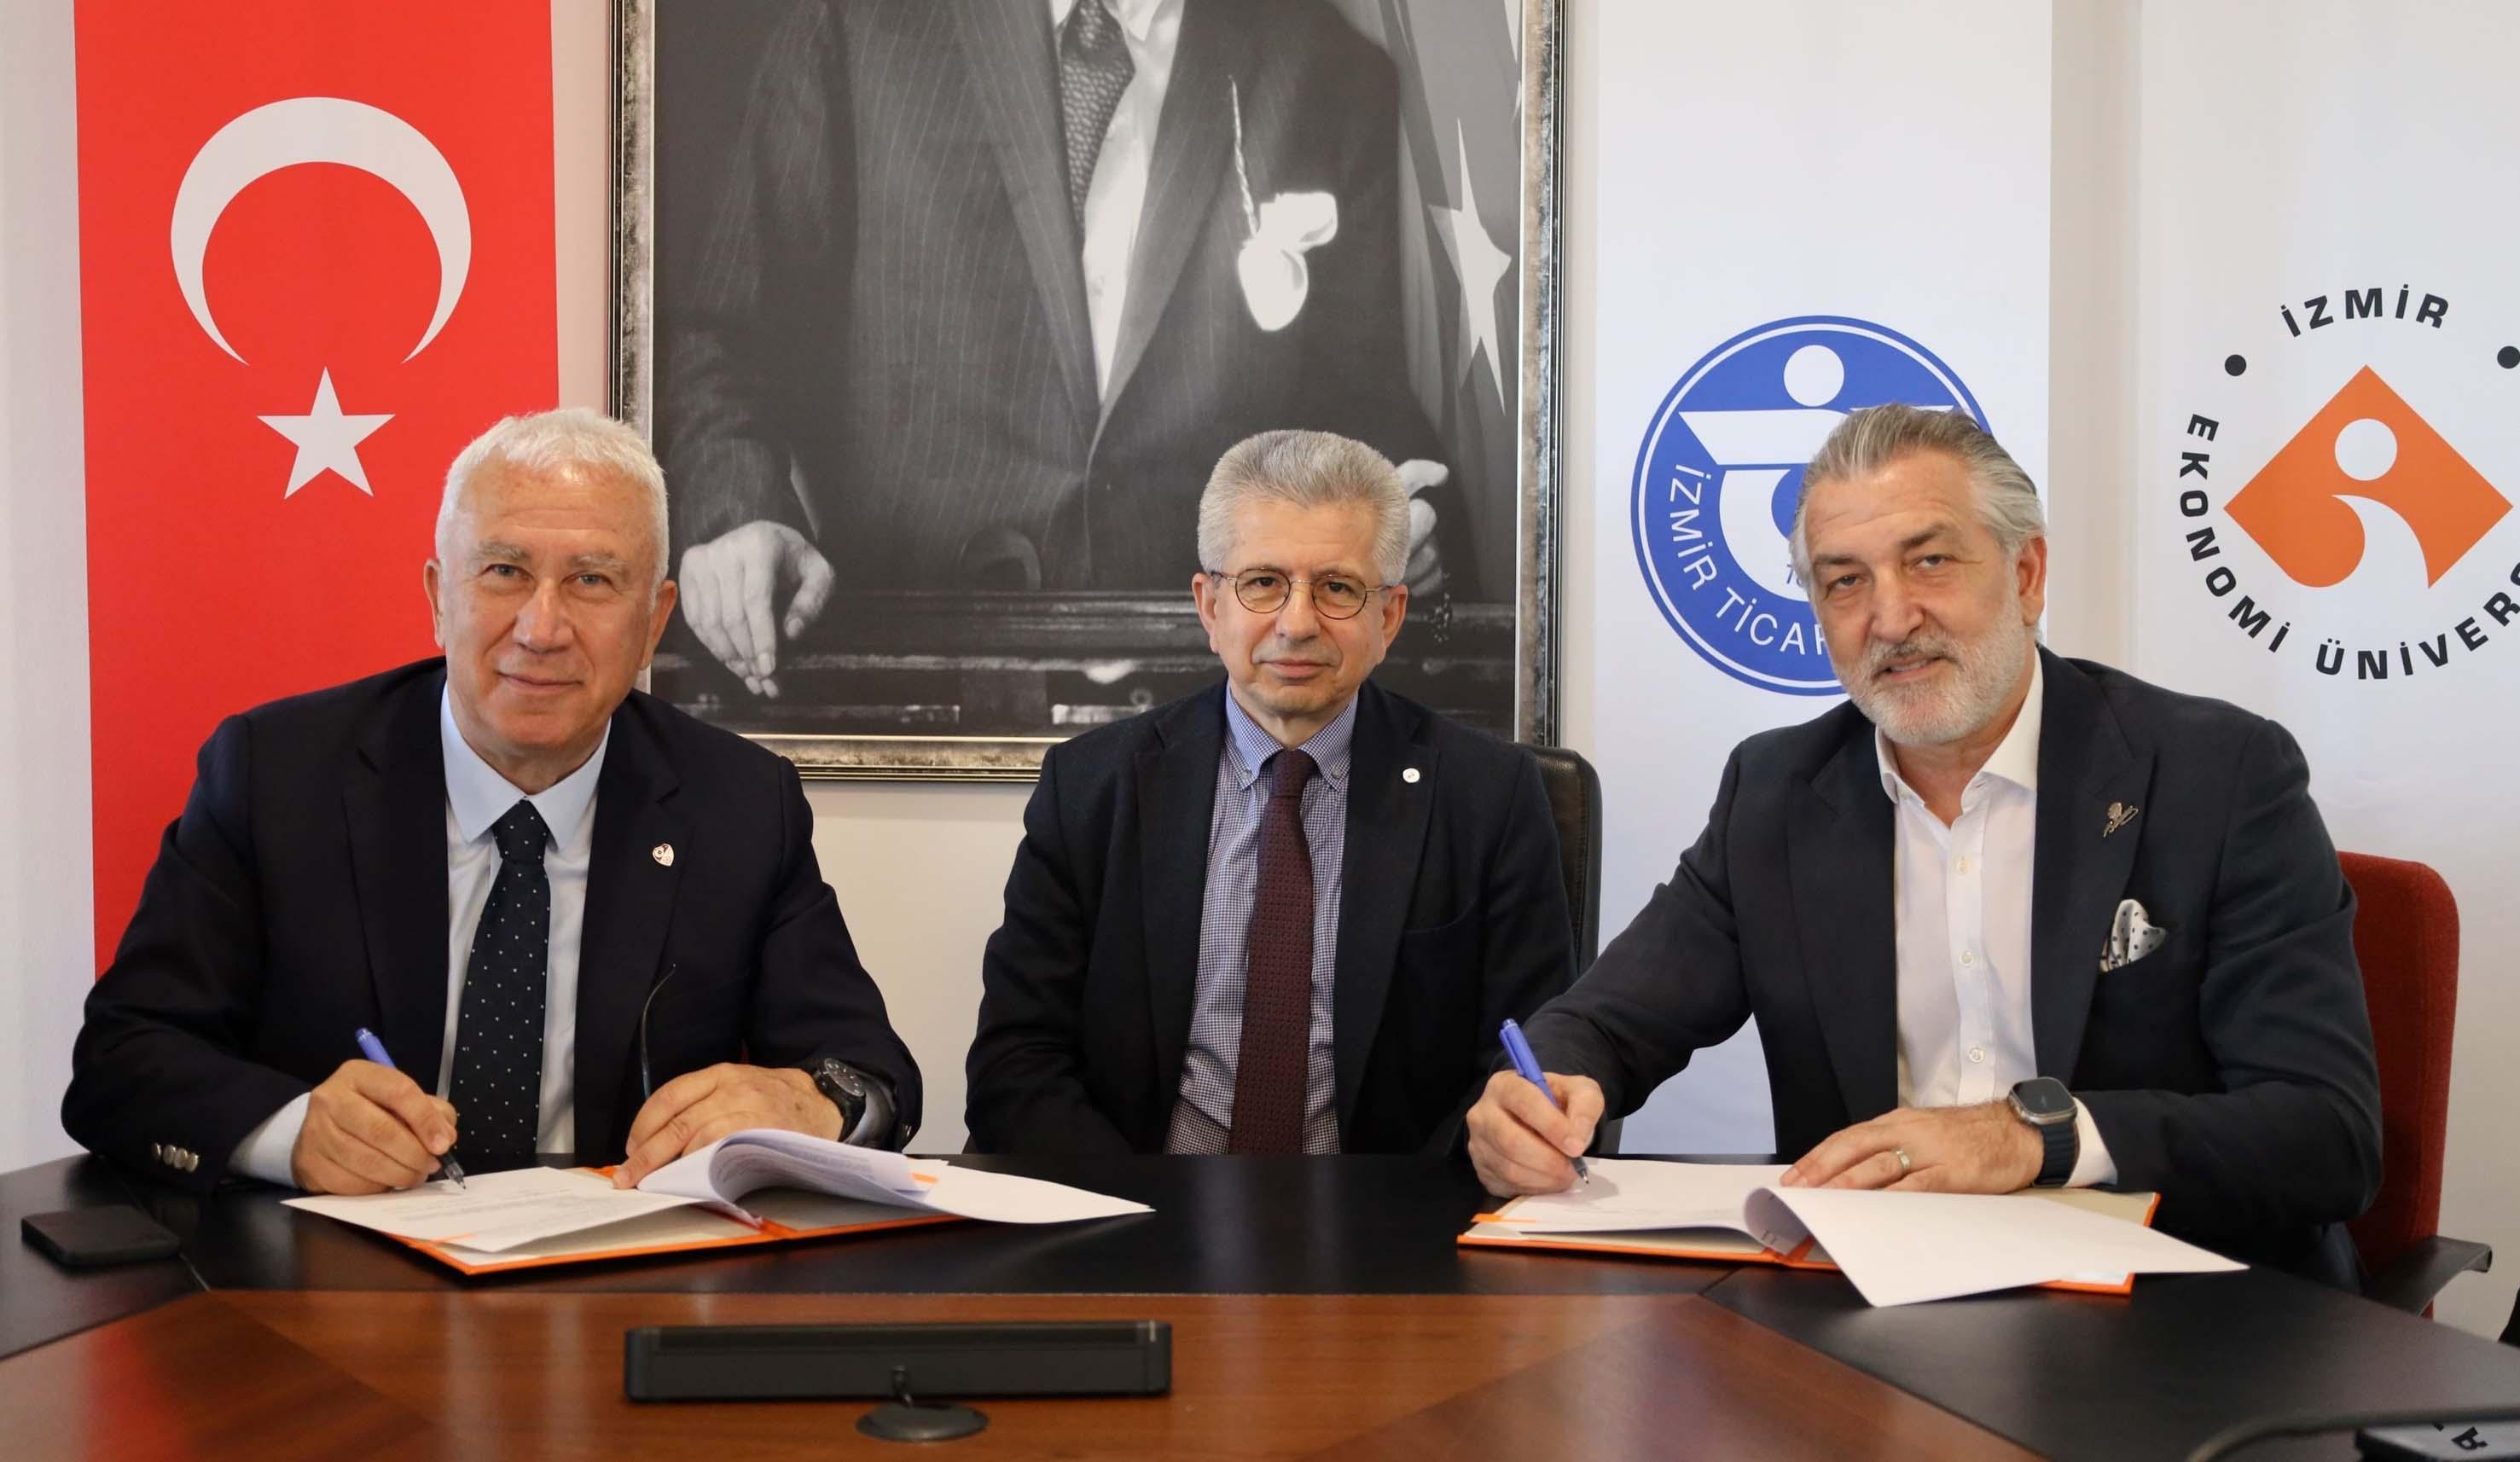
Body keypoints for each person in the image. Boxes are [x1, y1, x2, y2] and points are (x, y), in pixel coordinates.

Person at [1467, 403, 2383, 1278]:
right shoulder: (1777, 793)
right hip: (1874, 1307)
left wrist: (2036, 1137)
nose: (1892, 618)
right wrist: (1543, 1092)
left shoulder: (2218, 775)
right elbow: (1607, 1021)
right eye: (1845, 581)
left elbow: (2327, 1133)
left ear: (2026, 575)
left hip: (2178, 1306)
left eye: (1930, 561)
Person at [62, 409, 921, 1195]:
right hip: (331, 1276)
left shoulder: (738, 804)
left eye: (592, 581)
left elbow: (873, 1072)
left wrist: (809, 1103)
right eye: (505, 572)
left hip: (620, 1274)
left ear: (655, 621)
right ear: (439, 597)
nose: (541, 629)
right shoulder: (278, 775)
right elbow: (124, 1057)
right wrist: (290, 1134)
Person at [662, 0, 1462, 699]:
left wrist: (1396, 522)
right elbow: (728, 339)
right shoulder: (855, 22)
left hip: (1203, 693)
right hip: (906, 674)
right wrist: (741, 519)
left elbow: (1356, 399)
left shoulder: (1327, 68)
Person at [966, 430, 1573, 1154]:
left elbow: (1528, 1069)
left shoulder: (1489, 797)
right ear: (1209, 605)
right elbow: (1017, 1065)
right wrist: (1135, 1206)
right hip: (1140, 1203)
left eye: (1338, 588)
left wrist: (1415, 1204)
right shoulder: (1091, 788)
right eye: (1262, 583)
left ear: (1388, 617)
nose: (1297, 623)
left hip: (1392, 1213)